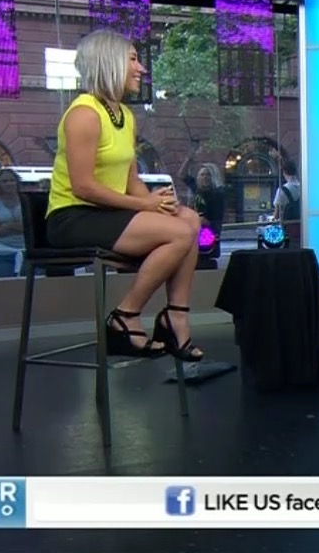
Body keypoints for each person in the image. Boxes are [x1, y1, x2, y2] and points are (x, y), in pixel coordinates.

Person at [44, 29, 204, 361]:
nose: (141, 68)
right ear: (110, 62)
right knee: (179, 232)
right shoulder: (84, 114)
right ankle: (125, 316)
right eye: (133, 59)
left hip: (108, 213)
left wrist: (158, 205)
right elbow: (83, 187)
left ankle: (175, 316)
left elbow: (131, 181)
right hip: (73, 217)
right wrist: (145, 204)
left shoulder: (124, 116)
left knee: (189, 220)